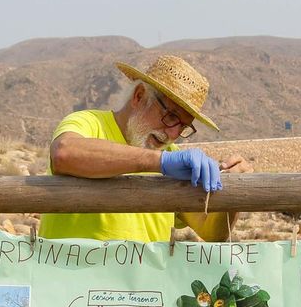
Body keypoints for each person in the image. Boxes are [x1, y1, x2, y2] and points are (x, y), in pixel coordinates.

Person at [39, 55, 251, 242]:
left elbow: (212, 233)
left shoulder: (172, 156)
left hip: (144, 278)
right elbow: (64, 153)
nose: (173, 134)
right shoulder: (88, 123)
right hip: (72, 274)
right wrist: (158, 161)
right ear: (139, 96)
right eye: (171, 116)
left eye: (183, 127)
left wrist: (234, 192)